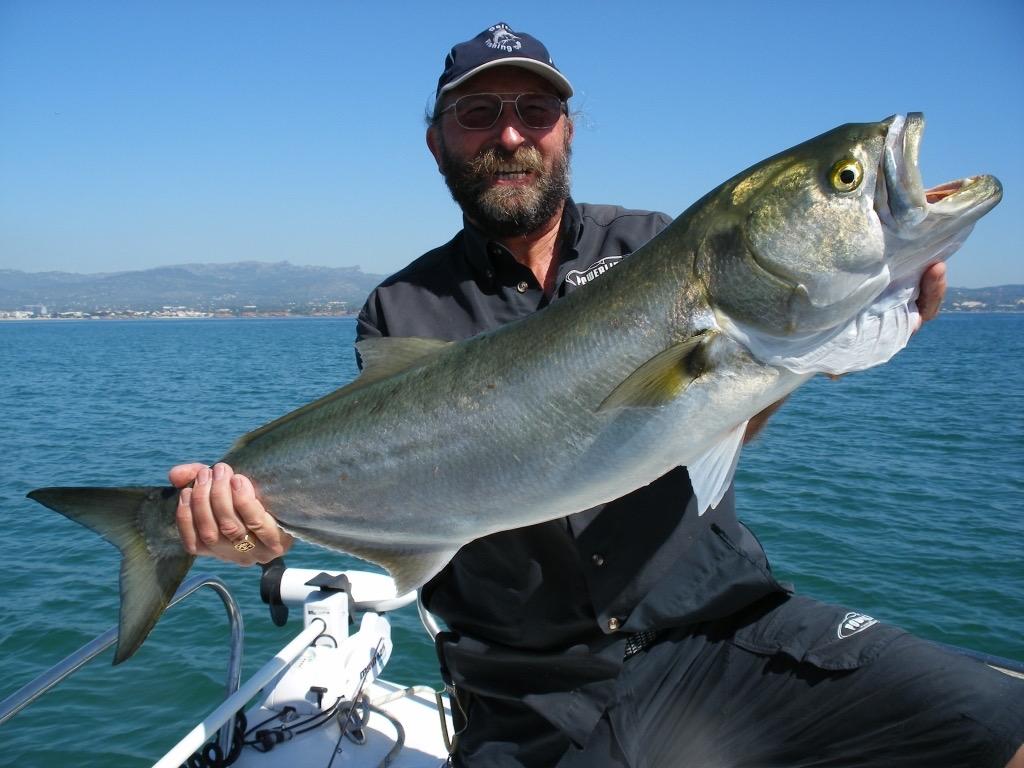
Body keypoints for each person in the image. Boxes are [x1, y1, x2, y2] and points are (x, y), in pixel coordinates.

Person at [171, 22, 1024, 768]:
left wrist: (821, 348)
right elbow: (404, 490)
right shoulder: (403, 310)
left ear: (568, 132)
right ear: (436, 143)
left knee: (1002, 724)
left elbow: (723, 413)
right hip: (529, 695)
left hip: (719, 633)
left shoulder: (656, 246)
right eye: (478, 115)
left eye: (534, 113)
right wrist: (260, 524)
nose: (511, 134)